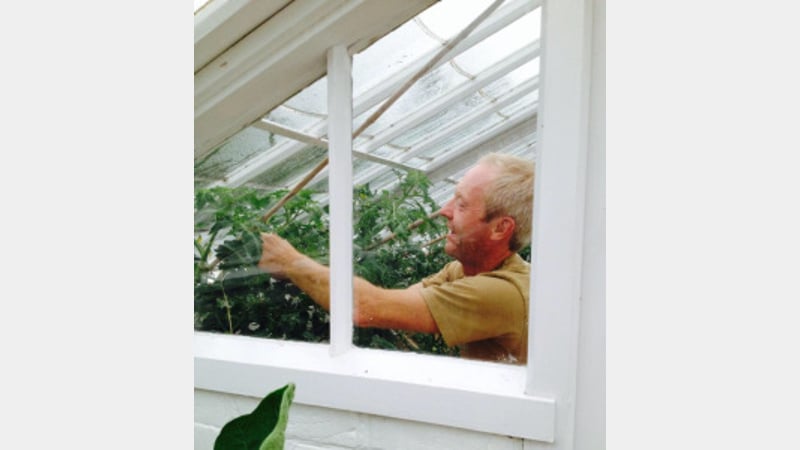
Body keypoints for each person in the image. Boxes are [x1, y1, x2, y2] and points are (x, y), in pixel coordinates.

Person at [258, 152, 534, 363]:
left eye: (461, 205)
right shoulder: (462, 271)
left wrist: (289, 261)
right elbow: (397, 305)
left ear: (501, 228)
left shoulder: (503, 293)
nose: (444, 210)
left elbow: (367, 307)